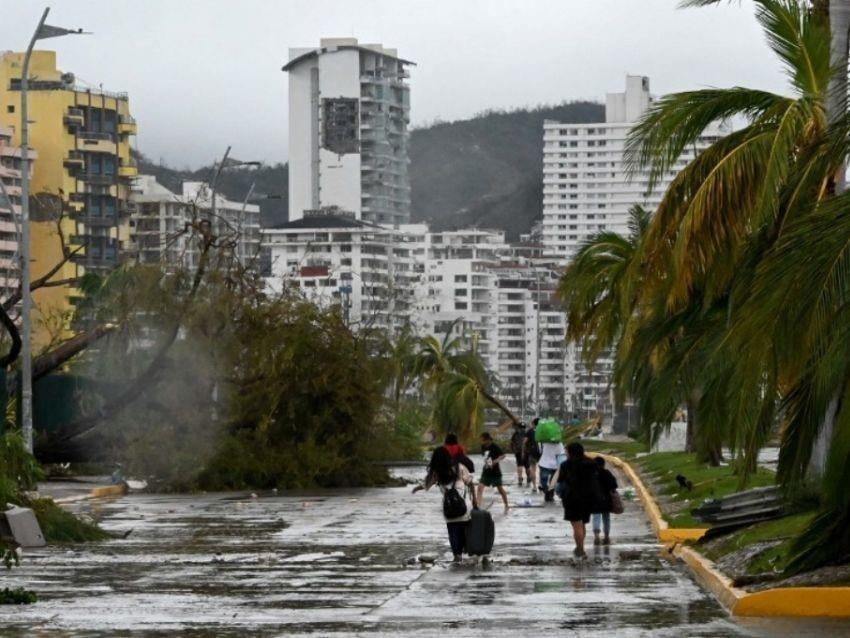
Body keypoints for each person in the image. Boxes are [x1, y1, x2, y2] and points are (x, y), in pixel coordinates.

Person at [412, 446, 477, 562]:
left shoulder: (437, 472)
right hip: (464, 505)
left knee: (453, 531)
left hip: (449, 506)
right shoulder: (458, 467)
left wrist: (416, 489)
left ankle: (457, 555)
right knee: (464, 529)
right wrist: (475, 500)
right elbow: (470, 483)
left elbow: (427, 484)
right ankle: (465, 549)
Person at [553, 442, 598, 557]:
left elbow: (561, 481)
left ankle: (580, 549)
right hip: (589, 497)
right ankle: (581, 546)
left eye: (567, 451)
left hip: (572, 498)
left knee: (576, 524)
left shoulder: (566, 465)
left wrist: (559, 493)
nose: (566, 453)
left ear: (571, 452)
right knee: (582, 523)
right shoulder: (591, 463)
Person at [477, 432, 509, 512]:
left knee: (500, 489)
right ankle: (477, 506)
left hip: (495, 472)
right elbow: (485, 457)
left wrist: (495, 461)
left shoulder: (495, 446)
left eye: (483, 440)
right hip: (486, 471)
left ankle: (506, 505)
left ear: (487, 439)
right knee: (480, 487)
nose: (482, 441)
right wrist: (488, 464)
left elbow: (503, 455)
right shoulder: (483, 446)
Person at [592, 456, 618, 545]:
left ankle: (596, 536)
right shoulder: (607, 473)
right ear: (603, 464)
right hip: (606, 500)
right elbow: (614, 485)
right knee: (606, 518)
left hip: (594, 500)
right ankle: (606, 537)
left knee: (596, 517)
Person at [537, 431, 565, 503]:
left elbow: (561, 454)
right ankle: (547, 492)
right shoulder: (545, 442)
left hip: (553, 464)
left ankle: (550, 493)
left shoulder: (559, 444)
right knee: (544, 478)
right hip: (545, 463)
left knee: (551, 480)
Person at [524, 419, 540, 491]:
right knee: (543, 469)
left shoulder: (530, 431)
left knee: (533, 469)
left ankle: (534, 486)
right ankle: (542, 484)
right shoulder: (543, 431)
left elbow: (524, 441)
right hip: (542, 452)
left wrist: (524, 450)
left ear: (533, 424)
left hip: (532, 452)